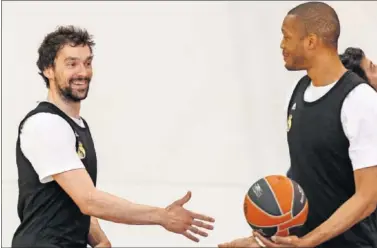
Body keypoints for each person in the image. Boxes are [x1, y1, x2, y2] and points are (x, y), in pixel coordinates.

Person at [12, 25, 215, 248]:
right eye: (72, 64)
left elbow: (75, 199)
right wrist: (161, 216)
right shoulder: (45, 124)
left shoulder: (74, 125)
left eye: (87, 63)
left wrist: (101, 240)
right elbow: (88, 200)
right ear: (48, 69)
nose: (83, 72)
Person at [219, 2, 377, 248]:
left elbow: (368, 197)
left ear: (311, 41)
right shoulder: (297, 91)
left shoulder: (360, 100)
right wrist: (262, 240)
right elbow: (302, 177)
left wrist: (310, 241)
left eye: (287, 36)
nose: (282, 45)